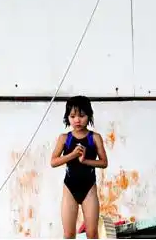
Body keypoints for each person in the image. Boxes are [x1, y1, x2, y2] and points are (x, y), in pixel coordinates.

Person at [50, 96, 108, 239]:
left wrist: (85, 161)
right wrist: (73, 155)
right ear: (67, 117)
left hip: (89, 188)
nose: (77, 120)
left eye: (82, 116)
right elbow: (53, 162)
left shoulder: (95, 137)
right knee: (69, 234)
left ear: (89, 116)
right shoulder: (65, 138)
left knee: (92, 233)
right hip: (70, 188)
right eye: (72, 116)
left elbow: (104, 162)